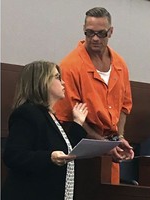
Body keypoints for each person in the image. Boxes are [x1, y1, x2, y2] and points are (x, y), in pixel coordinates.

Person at [54, 7, 134, 184]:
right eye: (89, 33)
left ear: (110, 32)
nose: (95, 39)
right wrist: (104, 144)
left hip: (110, 150)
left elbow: (125, 106)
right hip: (81, 150)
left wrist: (118, 138)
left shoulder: (120, 64)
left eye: (101, 33)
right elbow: (70, 117)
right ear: (83, 30)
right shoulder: (70, 65)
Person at [1, 60, 88, 200]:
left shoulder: (50, 116)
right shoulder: (27, 114)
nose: (63, 82)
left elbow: (66, 151)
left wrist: (78, 123)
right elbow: (13, 155)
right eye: (57, 77)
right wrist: (49, 157)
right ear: (42, 82)